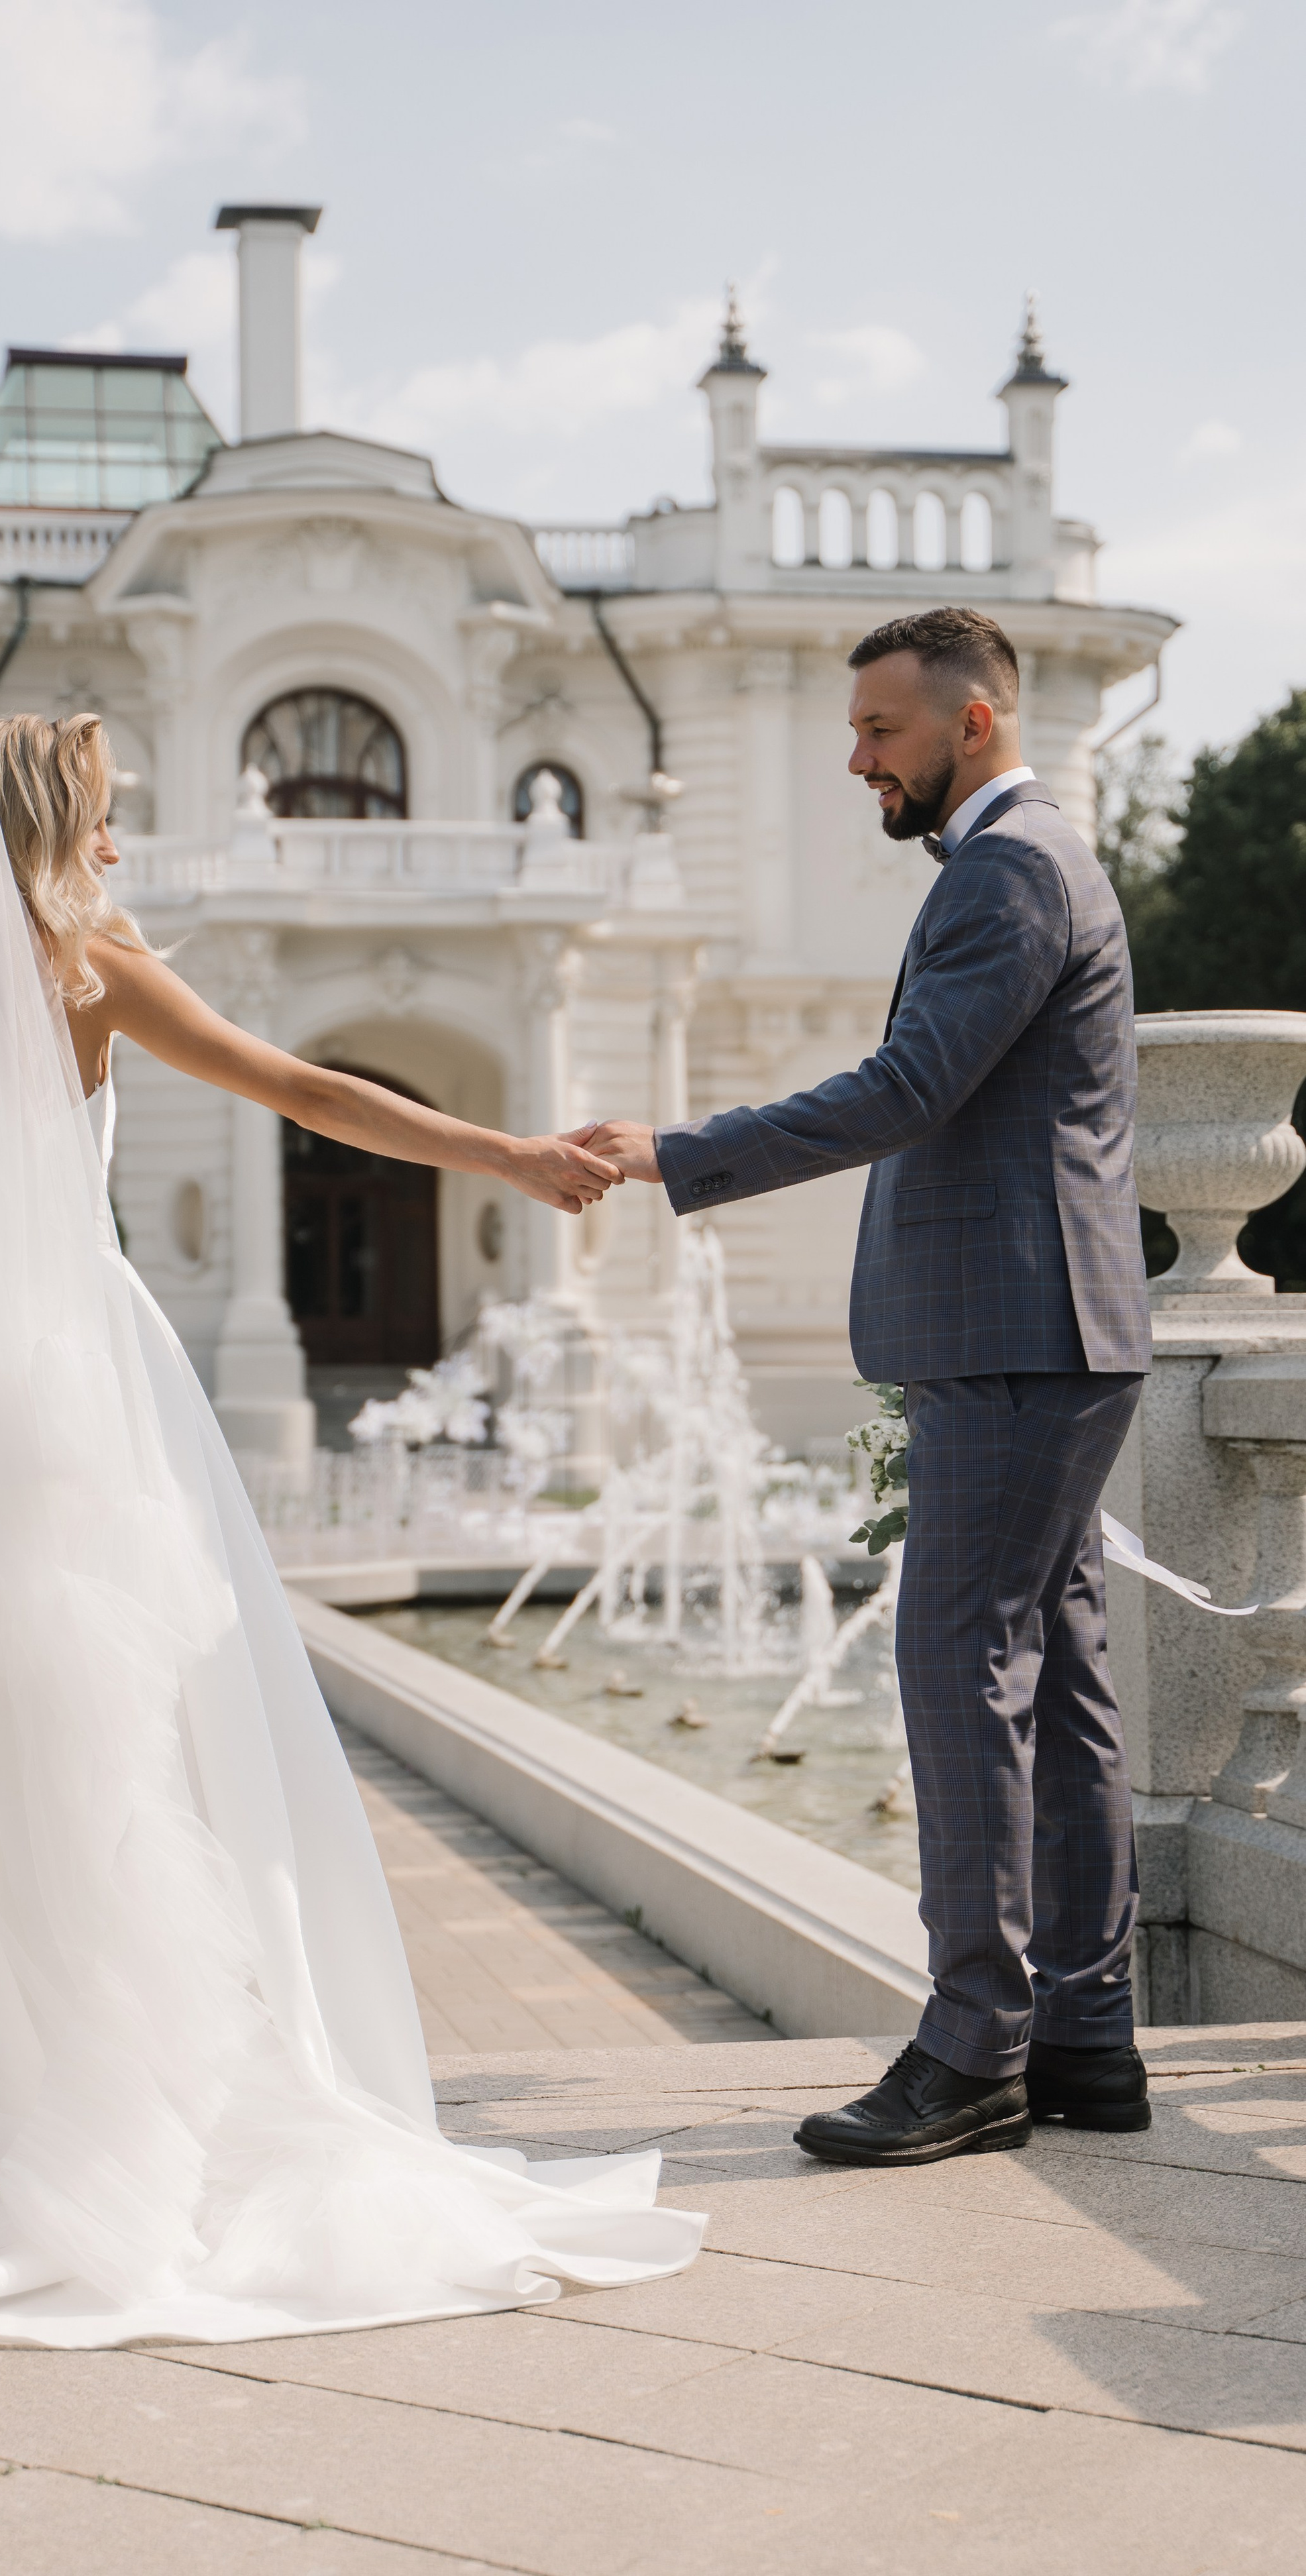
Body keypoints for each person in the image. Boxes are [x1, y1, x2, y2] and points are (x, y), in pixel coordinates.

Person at [0, 715, 703, 2348]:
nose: (116, 852)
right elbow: (307, 1088)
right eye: (103, 825)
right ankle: (122, 2100)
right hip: (73, 1379)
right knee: (120, 1749)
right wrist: (509, 1156)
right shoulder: (87, 972)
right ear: (45, 836)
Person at [582, 607, 1153, 2167]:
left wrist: (677, 1151)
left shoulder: (1009, 867)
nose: (854, 758)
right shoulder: (1023, 860)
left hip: (1008, 1331)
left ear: (971, 723)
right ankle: (1086, 2042)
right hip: (1045, 1327)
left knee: (957, 1664)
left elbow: (909, 1091)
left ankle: (972, 2048)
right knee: (1065, 1676)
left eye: (878, 731)